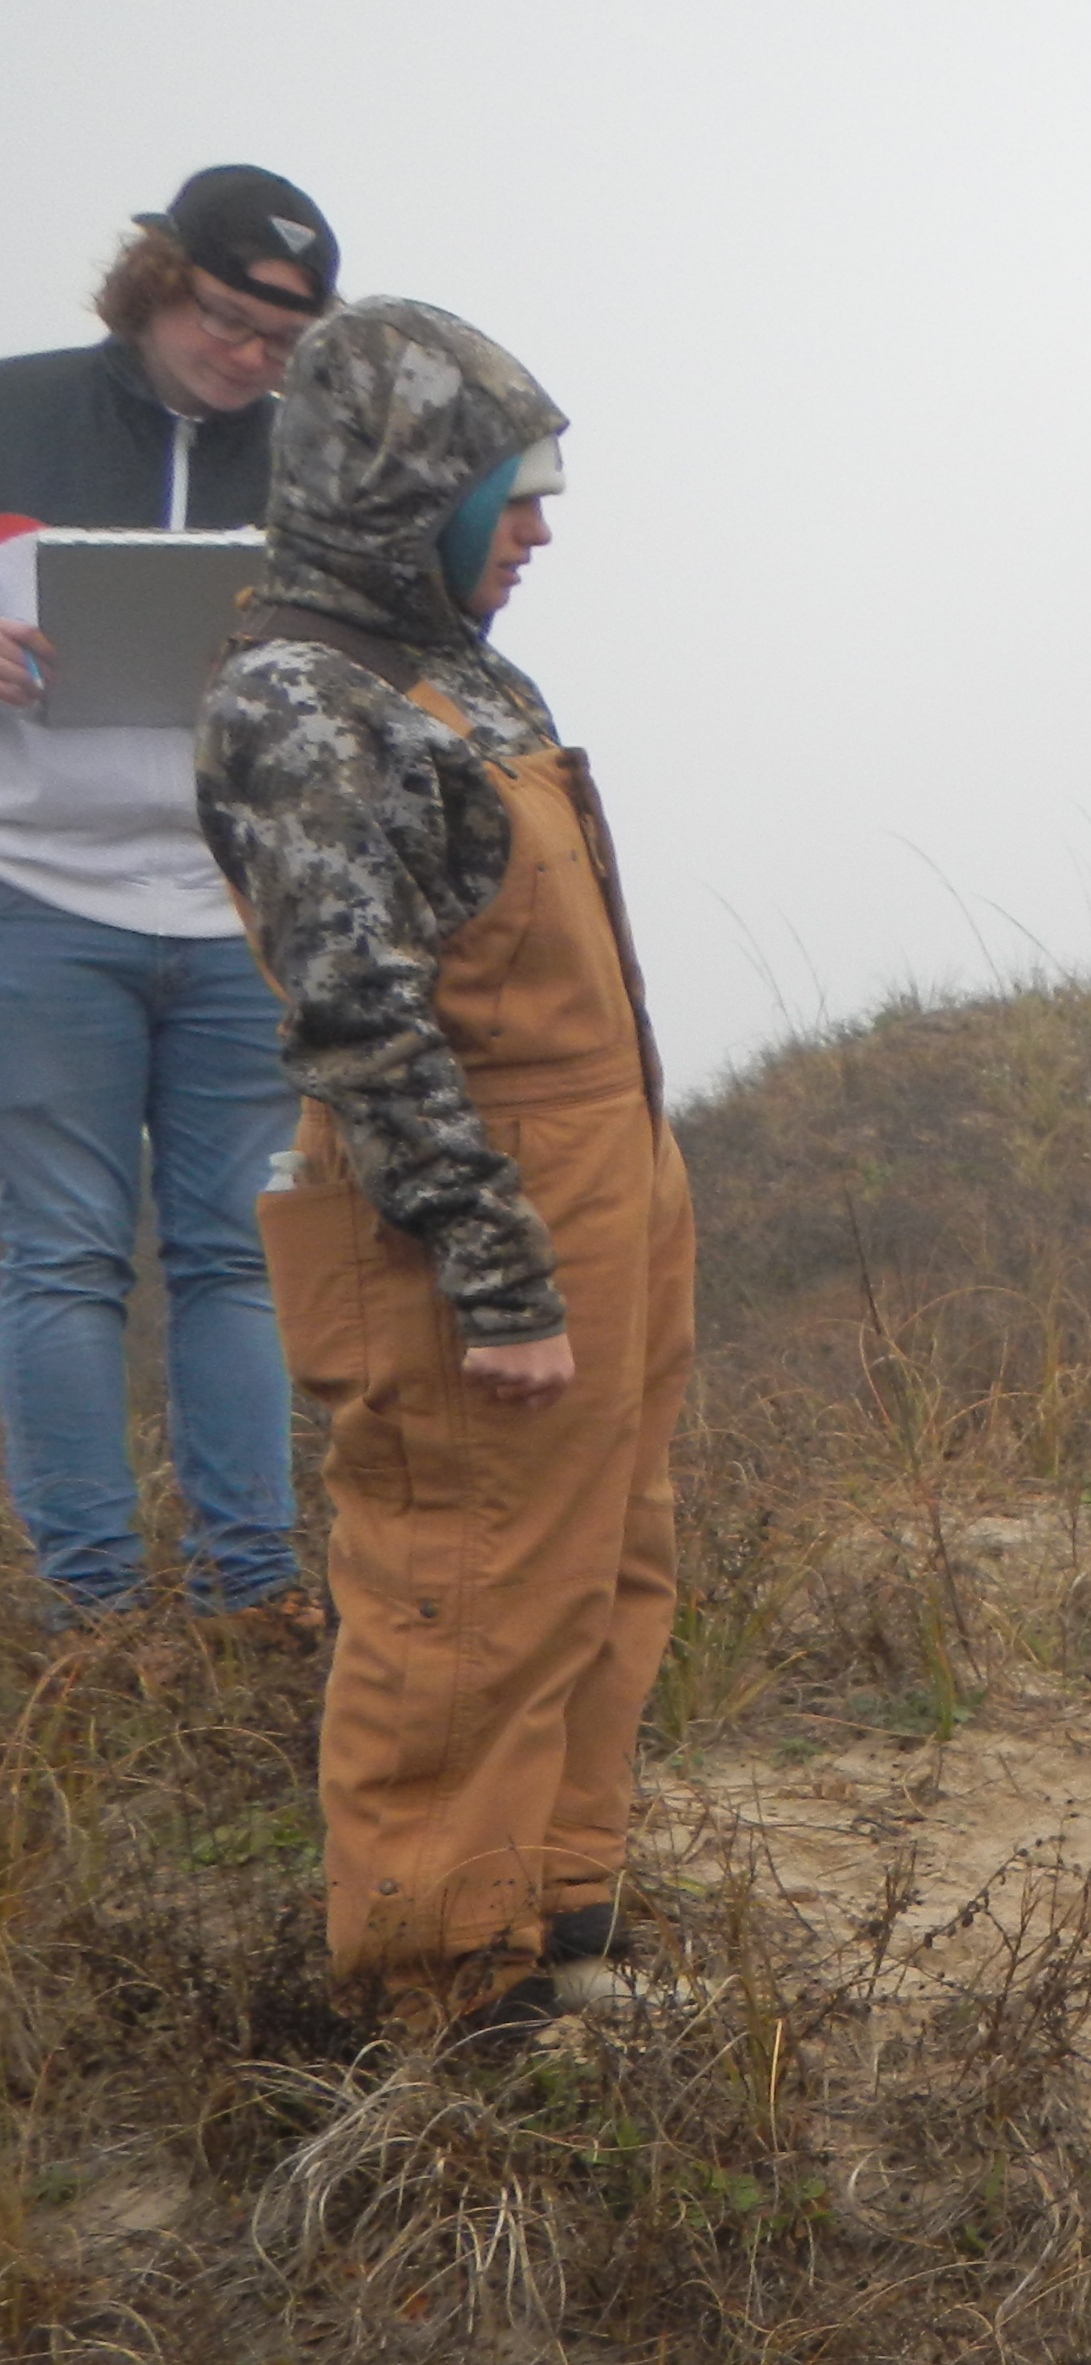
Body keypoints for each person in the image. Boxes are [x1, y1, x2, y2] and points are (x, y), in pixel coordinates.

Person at [197, 298, 691, 2044]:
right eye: (515, 491)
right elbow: (360, 1018)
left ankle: (555, 1920)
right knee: (466, 1582)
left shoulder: (464, 674)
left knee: (601, 1560)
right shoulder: (295, 702)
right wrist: (496, 1267)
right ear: (406, 491)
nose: (542, 528)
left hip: (605, 1170)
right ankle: (435, 1999)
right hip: (474, 1212)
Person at [0, 168, 337, 1627]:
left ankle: (246, 1595)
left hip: (236, 908)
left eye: (283, 338)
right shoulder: (16, 406)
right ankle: (91, 1612)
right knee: (63, 1257)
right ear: (156, 277)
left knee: (238, 1259)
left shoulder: (314, 463)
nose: (250, 357)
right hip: (39, 892)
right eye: (226, 316)